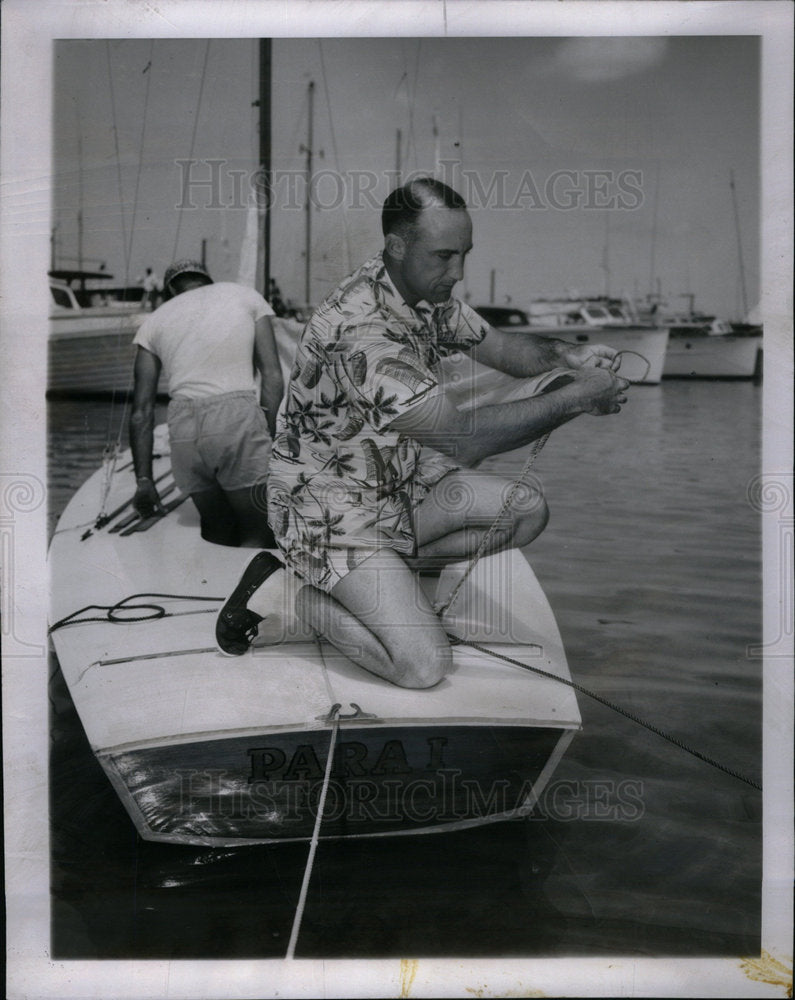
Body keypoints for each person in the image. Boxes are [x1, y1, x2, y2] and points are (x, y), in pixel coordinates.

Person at [216, 178, 629, 682]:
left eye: (464, 255)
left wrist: (570, 355)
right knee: (423, 665)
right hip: (330, 510)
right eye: (444, 257)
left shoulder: (422, 295)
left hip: (398, 487)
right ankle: (288, 591)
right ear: (396, 245)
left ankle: (386, 585)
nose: (457, 273)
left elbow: (503, 348)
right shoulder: (362, 330)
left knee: (526, 511)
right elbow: (462, 438)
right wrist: (578, 397)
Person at [130, 259, 284, 547]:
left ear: (170, 291)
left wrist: (144, 480)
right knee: (258, 531)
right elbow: (273, 377)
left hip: (183, 427)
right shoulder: (244, 296)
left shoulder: (154, 321)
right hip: (235, 416)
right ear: (207, 281)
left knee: (217, 528)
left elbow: (141, 413)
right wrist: (270, 436)